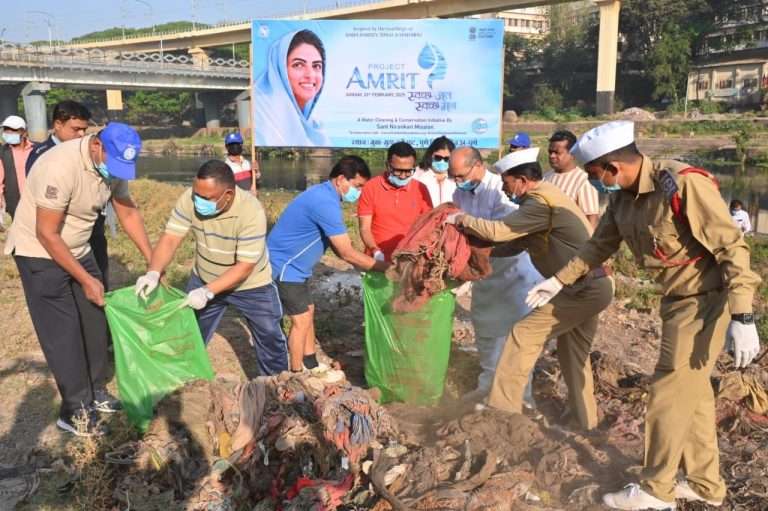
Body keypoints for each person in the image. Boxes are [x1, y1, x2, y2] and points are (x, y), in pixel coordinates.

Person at [525, 121, 762, 510]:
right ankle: (705, 484)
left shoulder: (682, 184)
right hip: (676, 302)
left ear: (613, 168)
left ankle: (656, 491)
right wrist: (558, 280)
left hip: (707, 302)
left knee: (667, 392)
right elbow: (599, 246)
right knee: (694, 396)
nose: (595, 183)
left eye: (595, 175)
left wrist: (743, 315)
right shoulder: (623, 199)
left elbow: (731, 247)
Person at [447, 147, 612, 431]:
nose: (503, 188)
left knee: (522, 335)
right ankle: (586, 422)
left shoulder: (539, 203)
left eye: (506, 182)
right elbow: (516, 244)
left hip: (582, 288)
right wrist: (479, 255)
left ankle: (503, 413)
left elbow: (500, 231)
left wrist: (461, 220)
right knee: (573, 354)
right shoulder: (545, 198)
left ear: (522, 181)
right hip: (591, 285)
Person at [5, 122, 152, 436]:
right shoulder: (60, 166)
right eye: (113, 163)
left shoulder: (112, 165)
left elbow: (127, 211)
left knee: (94, 320)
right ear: (97, 145)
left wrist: (154, 262)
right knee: (64, 332)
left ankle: (95, 390)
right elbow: (47, 233)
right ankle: (75, 411)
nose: (116, 172)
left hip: (79, 247)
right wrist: (85, 278)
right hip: (39, 252)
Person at [135, 160, 288, 376]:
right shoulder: (190, 199)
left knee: (270, 336)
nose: (198, 202)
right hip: (204, 277)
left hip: (251, 285)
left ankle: (277, 387)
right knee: (189, 333)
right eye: (196, 194)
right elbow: (170, 238)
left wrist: (207, 292)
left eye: (206, 198)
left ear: (228, 194)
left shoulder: (250, 211)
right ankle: (185, 380)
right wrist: (153, 272)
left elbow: (245, 266)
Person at [267, 155, 388, 372]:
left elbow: (339, 248)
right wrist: (386, 269)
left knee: (309, 310)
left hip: (296, 269)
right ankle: (295, 374)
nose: (359, 192)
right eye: (357, 186)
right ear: (341, 179)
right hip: (285, 267)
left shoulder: (324, 195)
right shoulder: (324, 202)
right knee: (301, 320)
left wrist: (364, 267)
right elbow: (345, 252)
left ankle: (311, 364)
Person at [449, 147, 542, 403]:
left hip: (514, 273)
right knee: (487, 331)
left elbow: (506, 234)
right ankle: (487, 385)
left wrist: (469, 230)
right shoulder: (460, 192)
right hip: (485, 275)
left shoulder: (501, 191)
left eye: (461, 175)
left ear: (478, 166)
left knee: (515, 339)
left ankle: (522, 398)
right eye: (453, 176)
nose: (457, 181)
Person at [23, 101, 113, 289]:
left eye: (84, 129)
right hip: (58, 235)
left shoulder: (86, 151)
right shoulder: (44, 155)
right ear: (58, 124)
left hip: (91, 228)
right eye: (76, 129)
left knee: (99, 281)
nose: (81, 134)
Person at [358, 142, 433, 261]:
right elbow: (364, 228)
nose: (403, 176)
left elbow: (428, 225)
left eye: (408, 171)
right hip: (377, 259)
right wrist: (375, 250)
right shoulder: (371, 187)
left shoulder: (421, 189)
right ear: (388, 165)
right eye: (398, 171)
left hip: (409, 260)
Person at [254, 29, 330, 146]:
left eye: (316, 66)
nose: (310, 75)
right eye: (298, 65)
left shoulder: (315, 126)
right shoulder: (263, 117)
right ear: (280, 70)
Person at [543, 130, 600, 228]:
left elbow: (591, 219)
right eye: (550, 152)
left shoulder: (584, 181)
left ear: (572, 154)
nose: (552, 156)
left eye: (557, 153)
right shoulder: (545, 177)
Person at [0, 115, 34, 219]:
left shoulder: (37, 149)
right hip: (16, 204)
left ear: (24, 132)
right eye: (6, 130)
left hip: (38, 201)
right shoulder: (2, 153)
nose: (7, 133)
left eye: (12, 130)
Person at [414, 136, 457, 206]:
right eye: (438, 157)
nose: (442, 161)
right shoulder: (417, 174)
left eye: (446, 159)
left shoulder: (456, 178)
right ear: (430, 155)